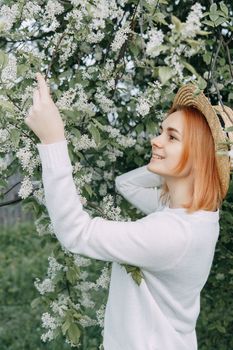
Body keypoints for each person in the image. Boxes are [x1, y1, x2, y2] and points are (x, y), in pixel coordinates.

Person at [25, 73, 233, 350]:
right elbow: (127, 184)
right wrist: (175, 166)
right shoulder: (196, 214)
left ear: (200, 155)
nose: (155, 140)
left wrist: (53, 140)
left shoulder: (172, 233)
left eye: (171, 137)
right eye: (161, 131)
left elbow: (75, 232)